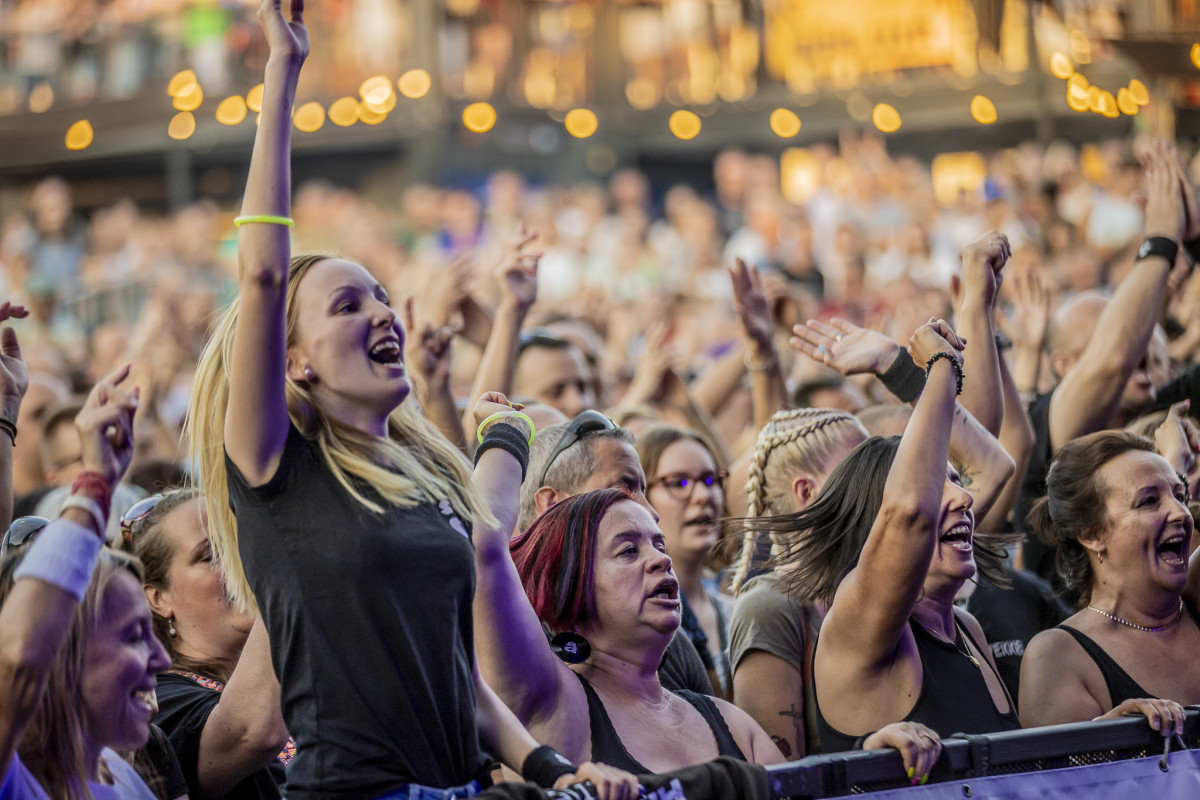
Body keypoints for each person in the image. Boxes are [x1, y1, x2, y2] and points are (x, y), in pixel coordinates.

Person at [185, 3, 634, 799]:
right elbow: (260, 270)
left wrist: (551, 771)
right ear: (293, 361)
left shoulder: (423, 484)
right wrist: (282, 74)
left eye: (384, 298)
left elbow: (454, 681)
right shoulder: (275, 471)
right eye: (348, 307)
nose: (383, 314)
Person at [474, 487, 943, 782]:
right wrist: (505, 434)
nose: (659, 559)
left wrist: (867, 763)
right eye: (627, 551)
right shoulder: (551, 700)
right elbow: (484, 549)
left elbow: (804, 793)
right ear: (567, 584)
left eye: (659, 545)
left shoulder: (729, 722)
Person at [738, 319, 1020, 751]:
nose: (962, 499)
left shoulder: (967, 627)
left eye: (953, 480)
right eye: (928, 485)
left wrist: (896, 365)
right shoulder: (856, 617)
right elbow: (910, 512)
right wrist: (941, 364)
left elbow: (993, 466)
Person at [0, 363, 166, 800]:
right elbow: (14, 659)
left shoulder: (126, 777)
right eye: (133, 635)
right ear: (57, 653)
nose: (164, 660)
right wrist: (94, 484)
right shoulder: (18, 785)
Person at [1019, 424, 1197, 735]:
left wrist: (1180, 461)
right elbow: (1063, 781)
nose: (1181, 513)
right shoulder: (1059, 656)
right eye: (1149, 501)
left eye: (1179, 495)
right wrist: (1110, 737)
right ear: (1091, 533)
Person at [521, 409, 714, 697]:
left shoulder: (664, 631)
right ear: (551, 504)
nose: (650, 511)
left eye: (643, 490)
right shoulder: (505, 631)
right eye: (623, 489)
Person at [119, 488, 290, 800]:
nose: (240, 563)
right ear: (158, 597)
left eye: (242, 543)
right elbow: (252, 732)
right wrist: (288, 572)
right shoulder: (159, 696)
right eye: (211, 555)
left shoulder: (300, 673)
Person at [723, 408, 868, 759]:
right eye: (860, 470)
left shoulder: (873, 586)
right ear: (806, 491)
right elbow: (785, 778)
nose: (878, 480)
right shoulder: (770, 607)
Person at [636, 424, 731, 698]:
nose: (703, 496)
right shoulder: (633, 627)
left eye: (710, 480)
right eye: (679, 483)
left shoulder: (737, 611)